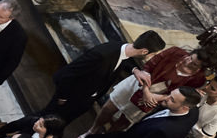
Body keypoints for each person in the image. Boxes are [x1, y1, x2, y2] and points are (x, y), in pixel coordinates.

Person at [16, 30, 165, 129]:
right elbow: (70, 74)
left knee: (64, 120)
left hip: (87, 97)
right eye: (152, 54)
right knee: (45, 116)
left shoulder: (123, 49)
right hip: (70, 95)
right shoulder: (101, 55)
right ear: (145, 51)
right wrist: (62, 97)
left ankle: (54, 131)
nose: (151, 57)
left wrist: (135, 70)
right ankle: (10, 130)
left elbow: (124, 60)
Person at [79, 46, 207, 138]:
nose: (189, 62)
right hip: (140, 82)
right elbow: (150, 65)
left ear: (201, 68)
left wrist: (156, 97)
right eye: (190, 57)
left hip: (155, 98)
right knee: (109, 108)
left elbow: (178, 94)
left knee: (124, 122)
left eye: (195, 64)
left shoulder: (198, 78)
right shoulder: (175, 52)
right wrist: (145, 89)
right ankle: (92, 131)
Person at [79, 86, 202, 138]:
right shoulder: (193, 111)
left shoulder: (165, 131)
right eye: (170, 94)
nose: (165, 98)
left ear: (185, 107)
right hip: (132, 135)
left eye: (172, 100)